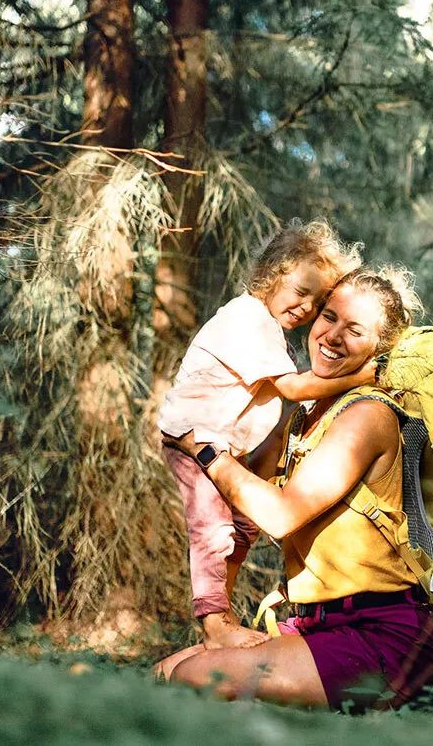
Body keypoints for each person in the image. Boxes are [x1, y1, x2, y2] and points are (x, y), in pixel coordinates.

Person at [157, 267, 433, 713]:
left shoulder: (367, 415)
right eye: (329, 317)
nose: (332, 335)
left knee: (193, 678)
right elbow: (247, 503)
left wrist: (204, 449)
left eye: (355, 330)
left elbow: (281, 514)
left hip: (380, 638)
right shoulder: (305, 418)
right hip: (317, 628)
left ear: (378, 350)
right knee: (167, 671)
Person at [159, 220, 375, 649]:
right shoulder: (247, 319)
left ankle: (223, 610)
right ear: (273, 274)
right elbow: (294, 388)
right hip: (192, 436)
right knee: (212, 528)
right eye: (301, 292)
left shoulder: (269, 329)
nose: (305, 308)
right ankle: (214, 620)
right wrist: (361, 378)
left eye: (316, 303)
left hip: (221, 444)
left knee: (243, 525)